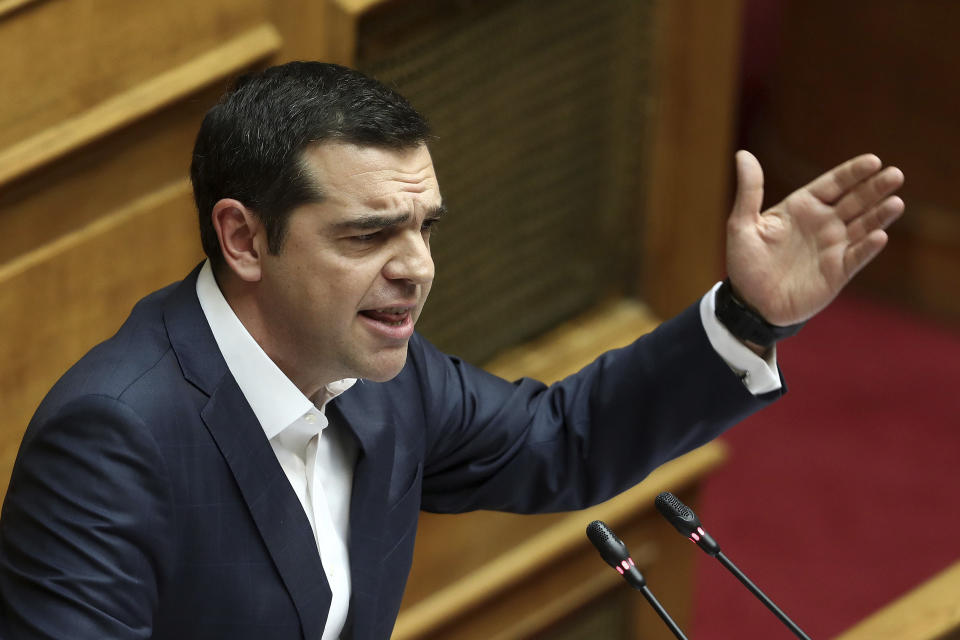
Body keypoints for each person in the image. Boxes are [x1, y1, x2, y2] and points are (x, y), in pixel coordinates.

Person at [0, 62, 904, 639]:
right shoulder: (116, 438)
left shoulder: (381, 374)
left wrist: (749, 317)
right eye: (367, 237)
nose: (418, 270)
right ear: (243, 239)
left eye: (425, 229)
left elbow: (564, 439)